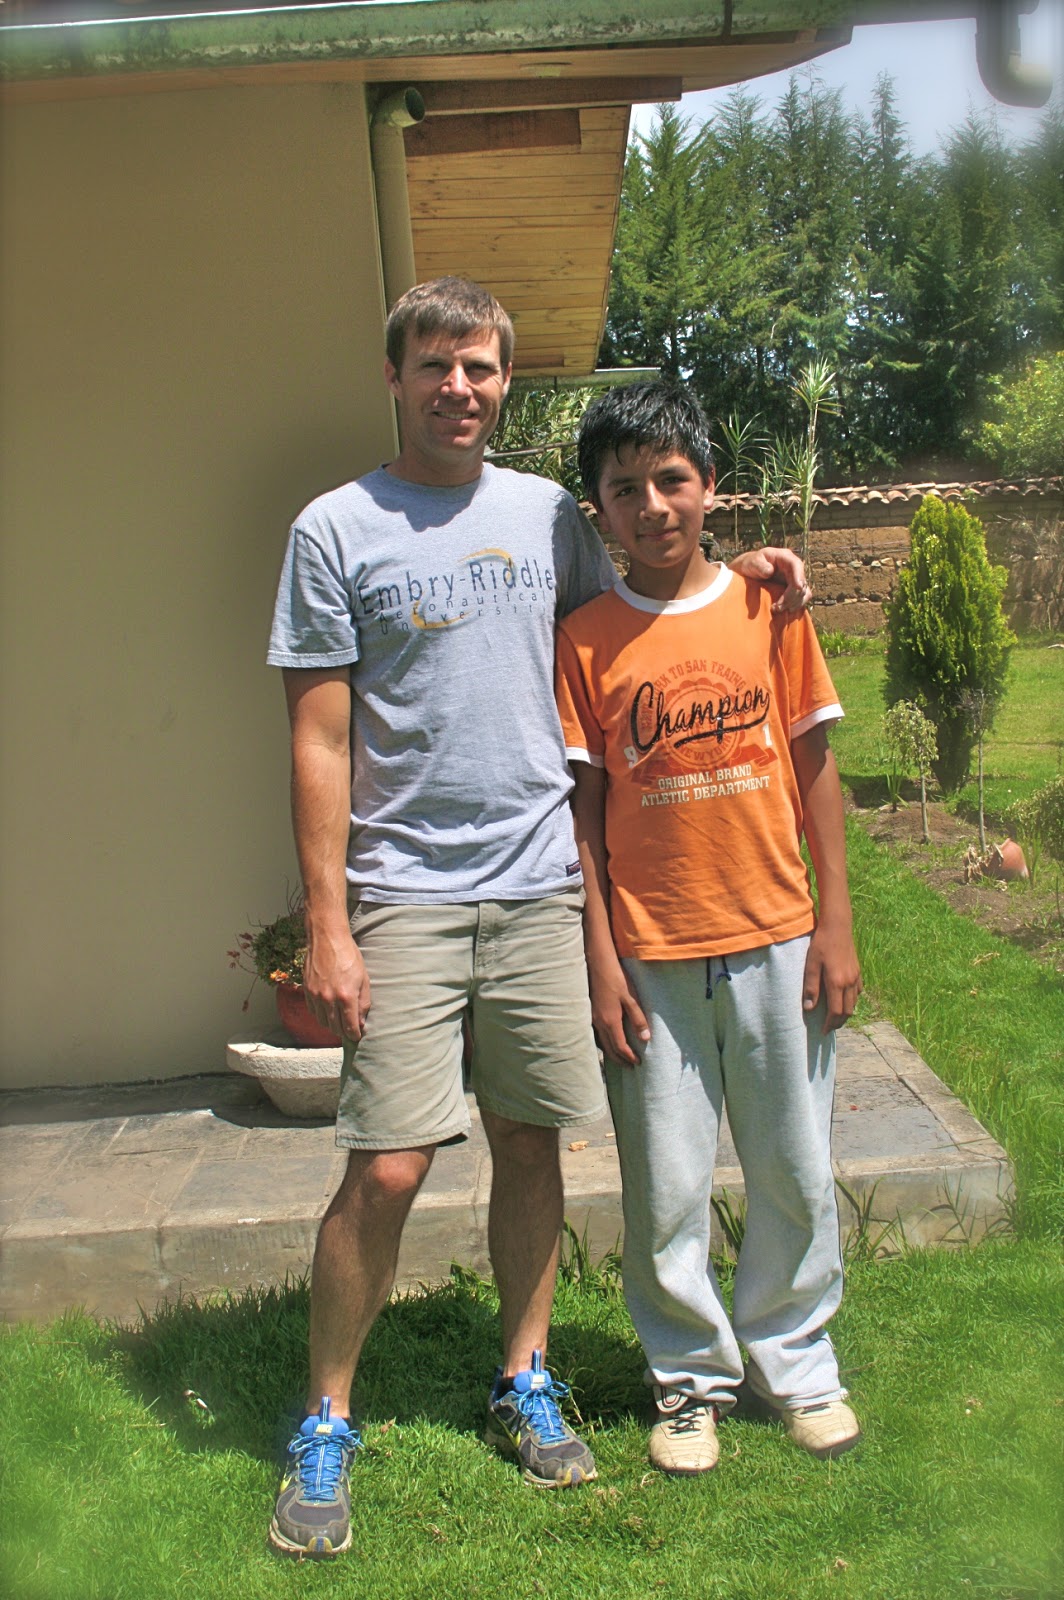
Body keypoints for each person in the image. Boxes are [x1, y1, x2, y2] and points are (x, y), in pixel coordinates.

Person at [264, 278, 810, 1556]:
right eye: (434, 364)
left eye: (480, 367)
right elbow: (318, 738)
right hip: (406, 889)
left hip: (538, 884)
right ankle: (326, 1416)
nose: (457, 387)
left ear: (505, 382)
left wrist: (745, 574)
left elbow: (642, 607)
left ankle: (523, 1375)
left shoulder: (550, 516)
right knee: (388, 1161)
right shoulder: (334, 528)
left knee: (527, 1139)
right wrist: (328, 922)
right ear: (394, 377)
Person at [555, 380, 862, 1478]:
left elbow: (813, 763)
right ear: (597, 508)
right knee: (666, 1183)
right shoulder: (585, 641)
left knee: (792, 1165)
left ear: (709, 487)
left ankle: (797, 1361)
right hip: (650, 954)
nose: (651, 506)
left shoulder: (768, 608)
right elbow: (583, 814)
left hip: (776, 932)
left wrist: (834, 920)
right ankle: (688, 1380)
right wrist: (600, 958)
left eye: (670, 480)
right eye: (623, 489)